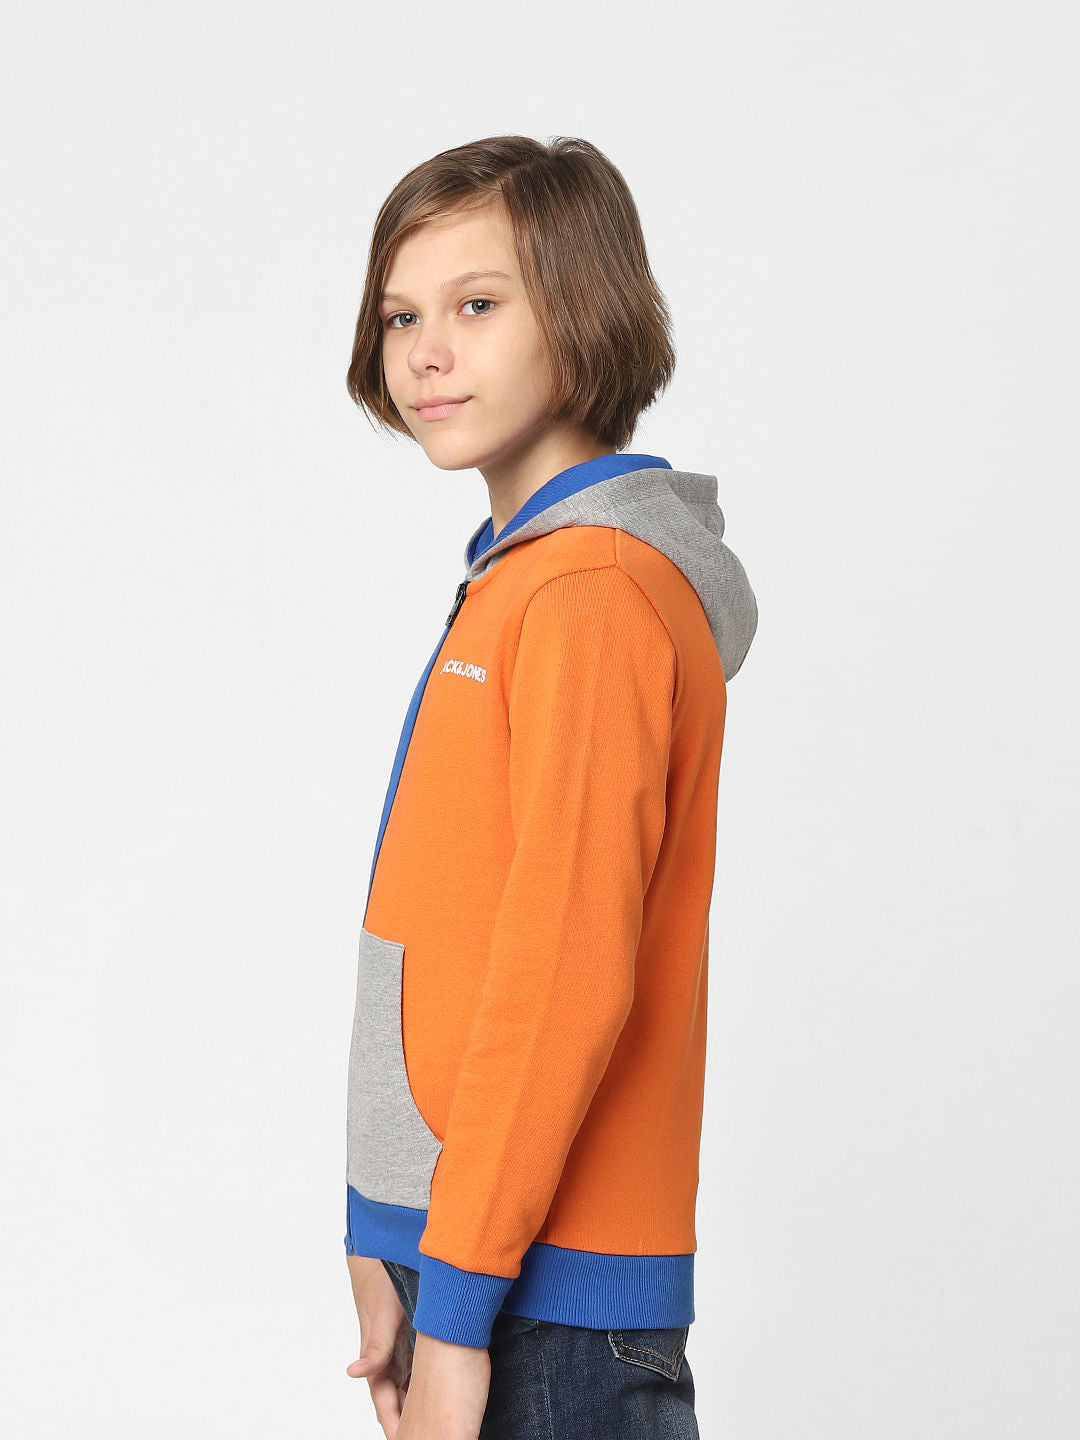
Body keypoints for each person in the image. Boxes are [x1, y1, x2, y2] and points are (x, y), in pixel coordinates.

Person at [340, 134, 759, 1440]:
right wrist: (379, 1232)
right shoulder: (520, 575)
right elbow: (442, 921)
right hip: (468, 1255)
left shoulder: (590, 593)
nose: (426, 351)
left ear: (583, 309)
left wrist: (458, 1308)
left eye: (476, 305)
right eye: (401, 315)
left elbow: (564, 966)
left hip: (537, 1296)